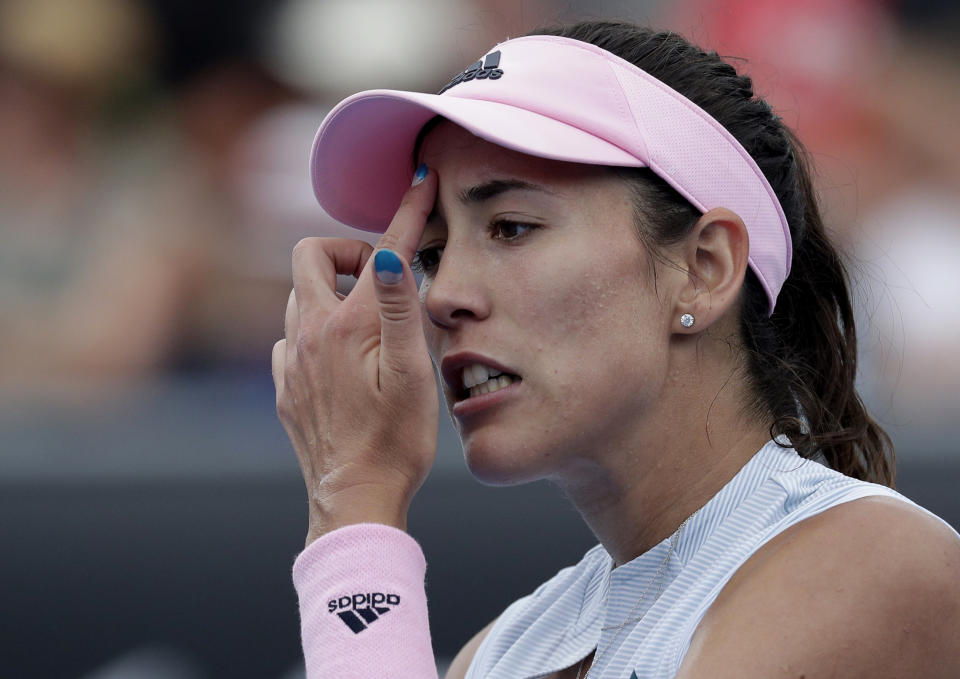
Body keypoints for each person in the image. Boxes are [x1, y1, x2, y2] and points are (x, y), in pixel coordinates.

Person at [271, 21, 960, 679]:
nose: (441, 295)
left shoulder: (869, 562)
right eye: (431, 254)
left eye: (511, 227)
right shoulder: (498, 651)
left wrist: (355, 505)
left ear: (706, 266)